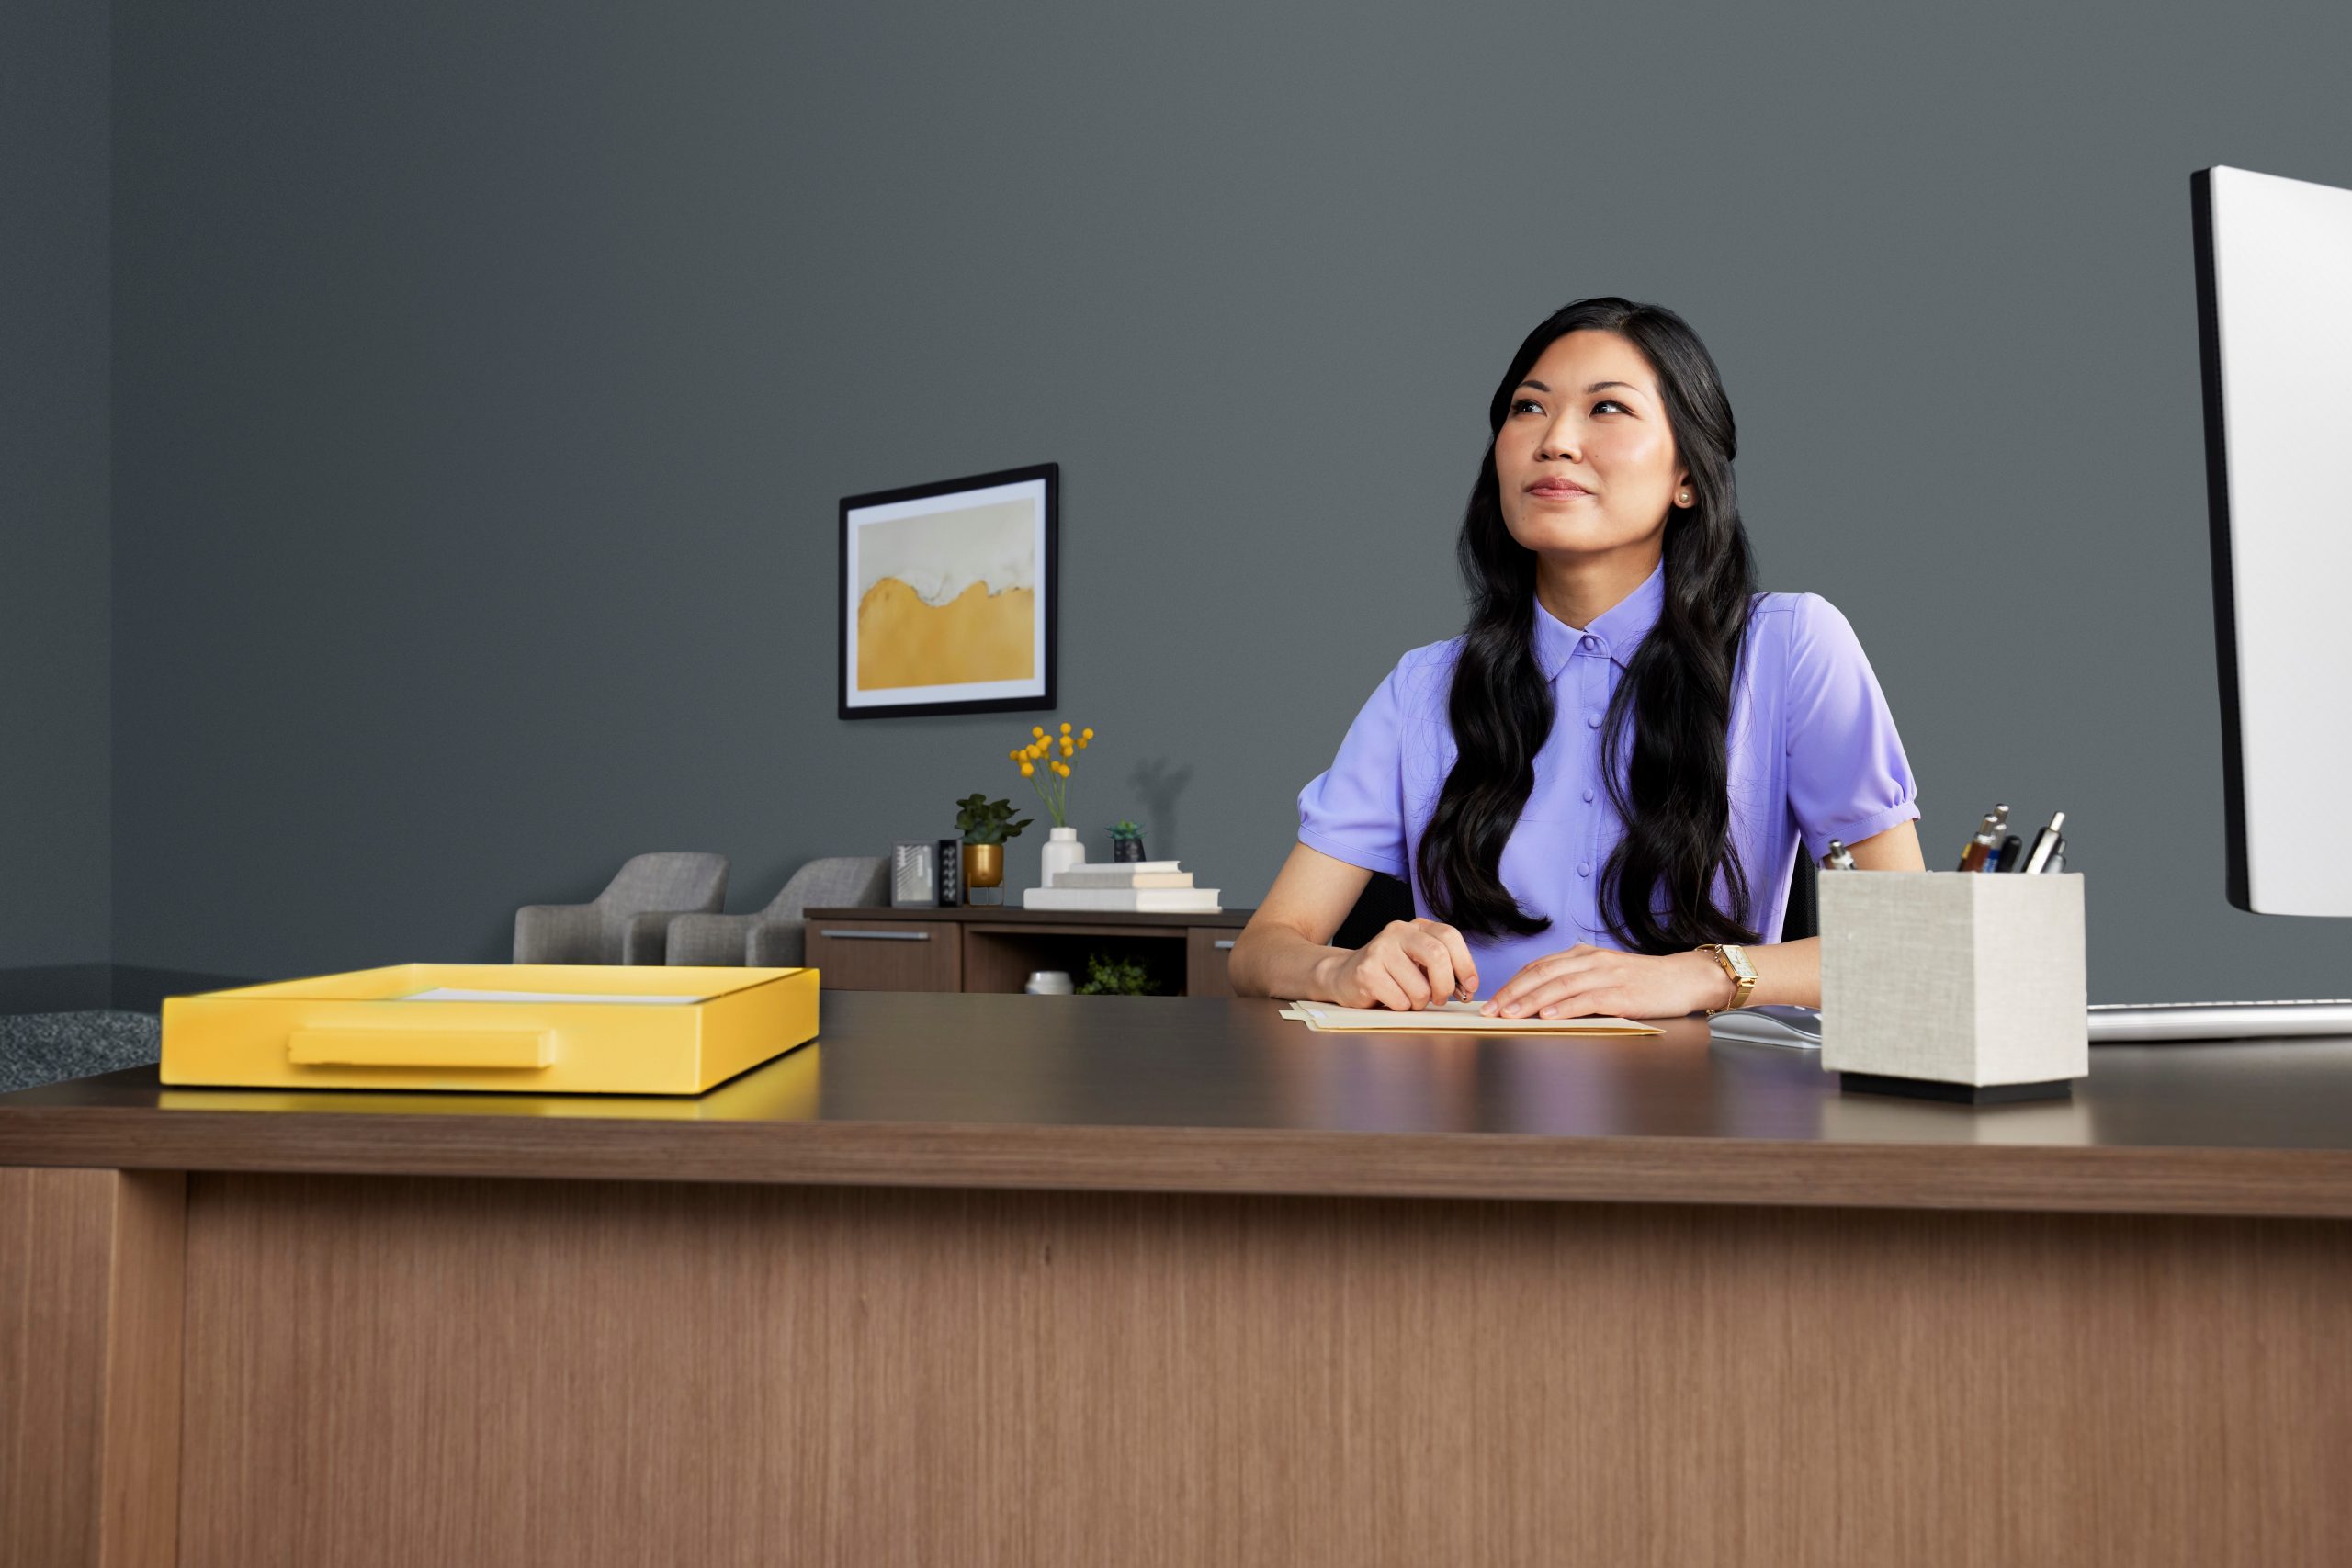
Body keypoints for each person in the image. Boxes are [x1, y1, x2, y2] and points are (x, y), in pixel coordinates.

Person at [1228, 297, 1925, 1019]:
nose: (1556, 440)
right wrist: (1342, 967)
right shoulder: (1425, 688)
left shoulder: (1792, 647)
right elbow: (1263, 948)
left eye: (1607, 410)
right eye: (1528, 408)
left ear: (1688, 473)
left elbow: (1910, 941)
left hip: (1704, 1114)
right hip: (1469, 1110)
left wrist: (1699, 975)